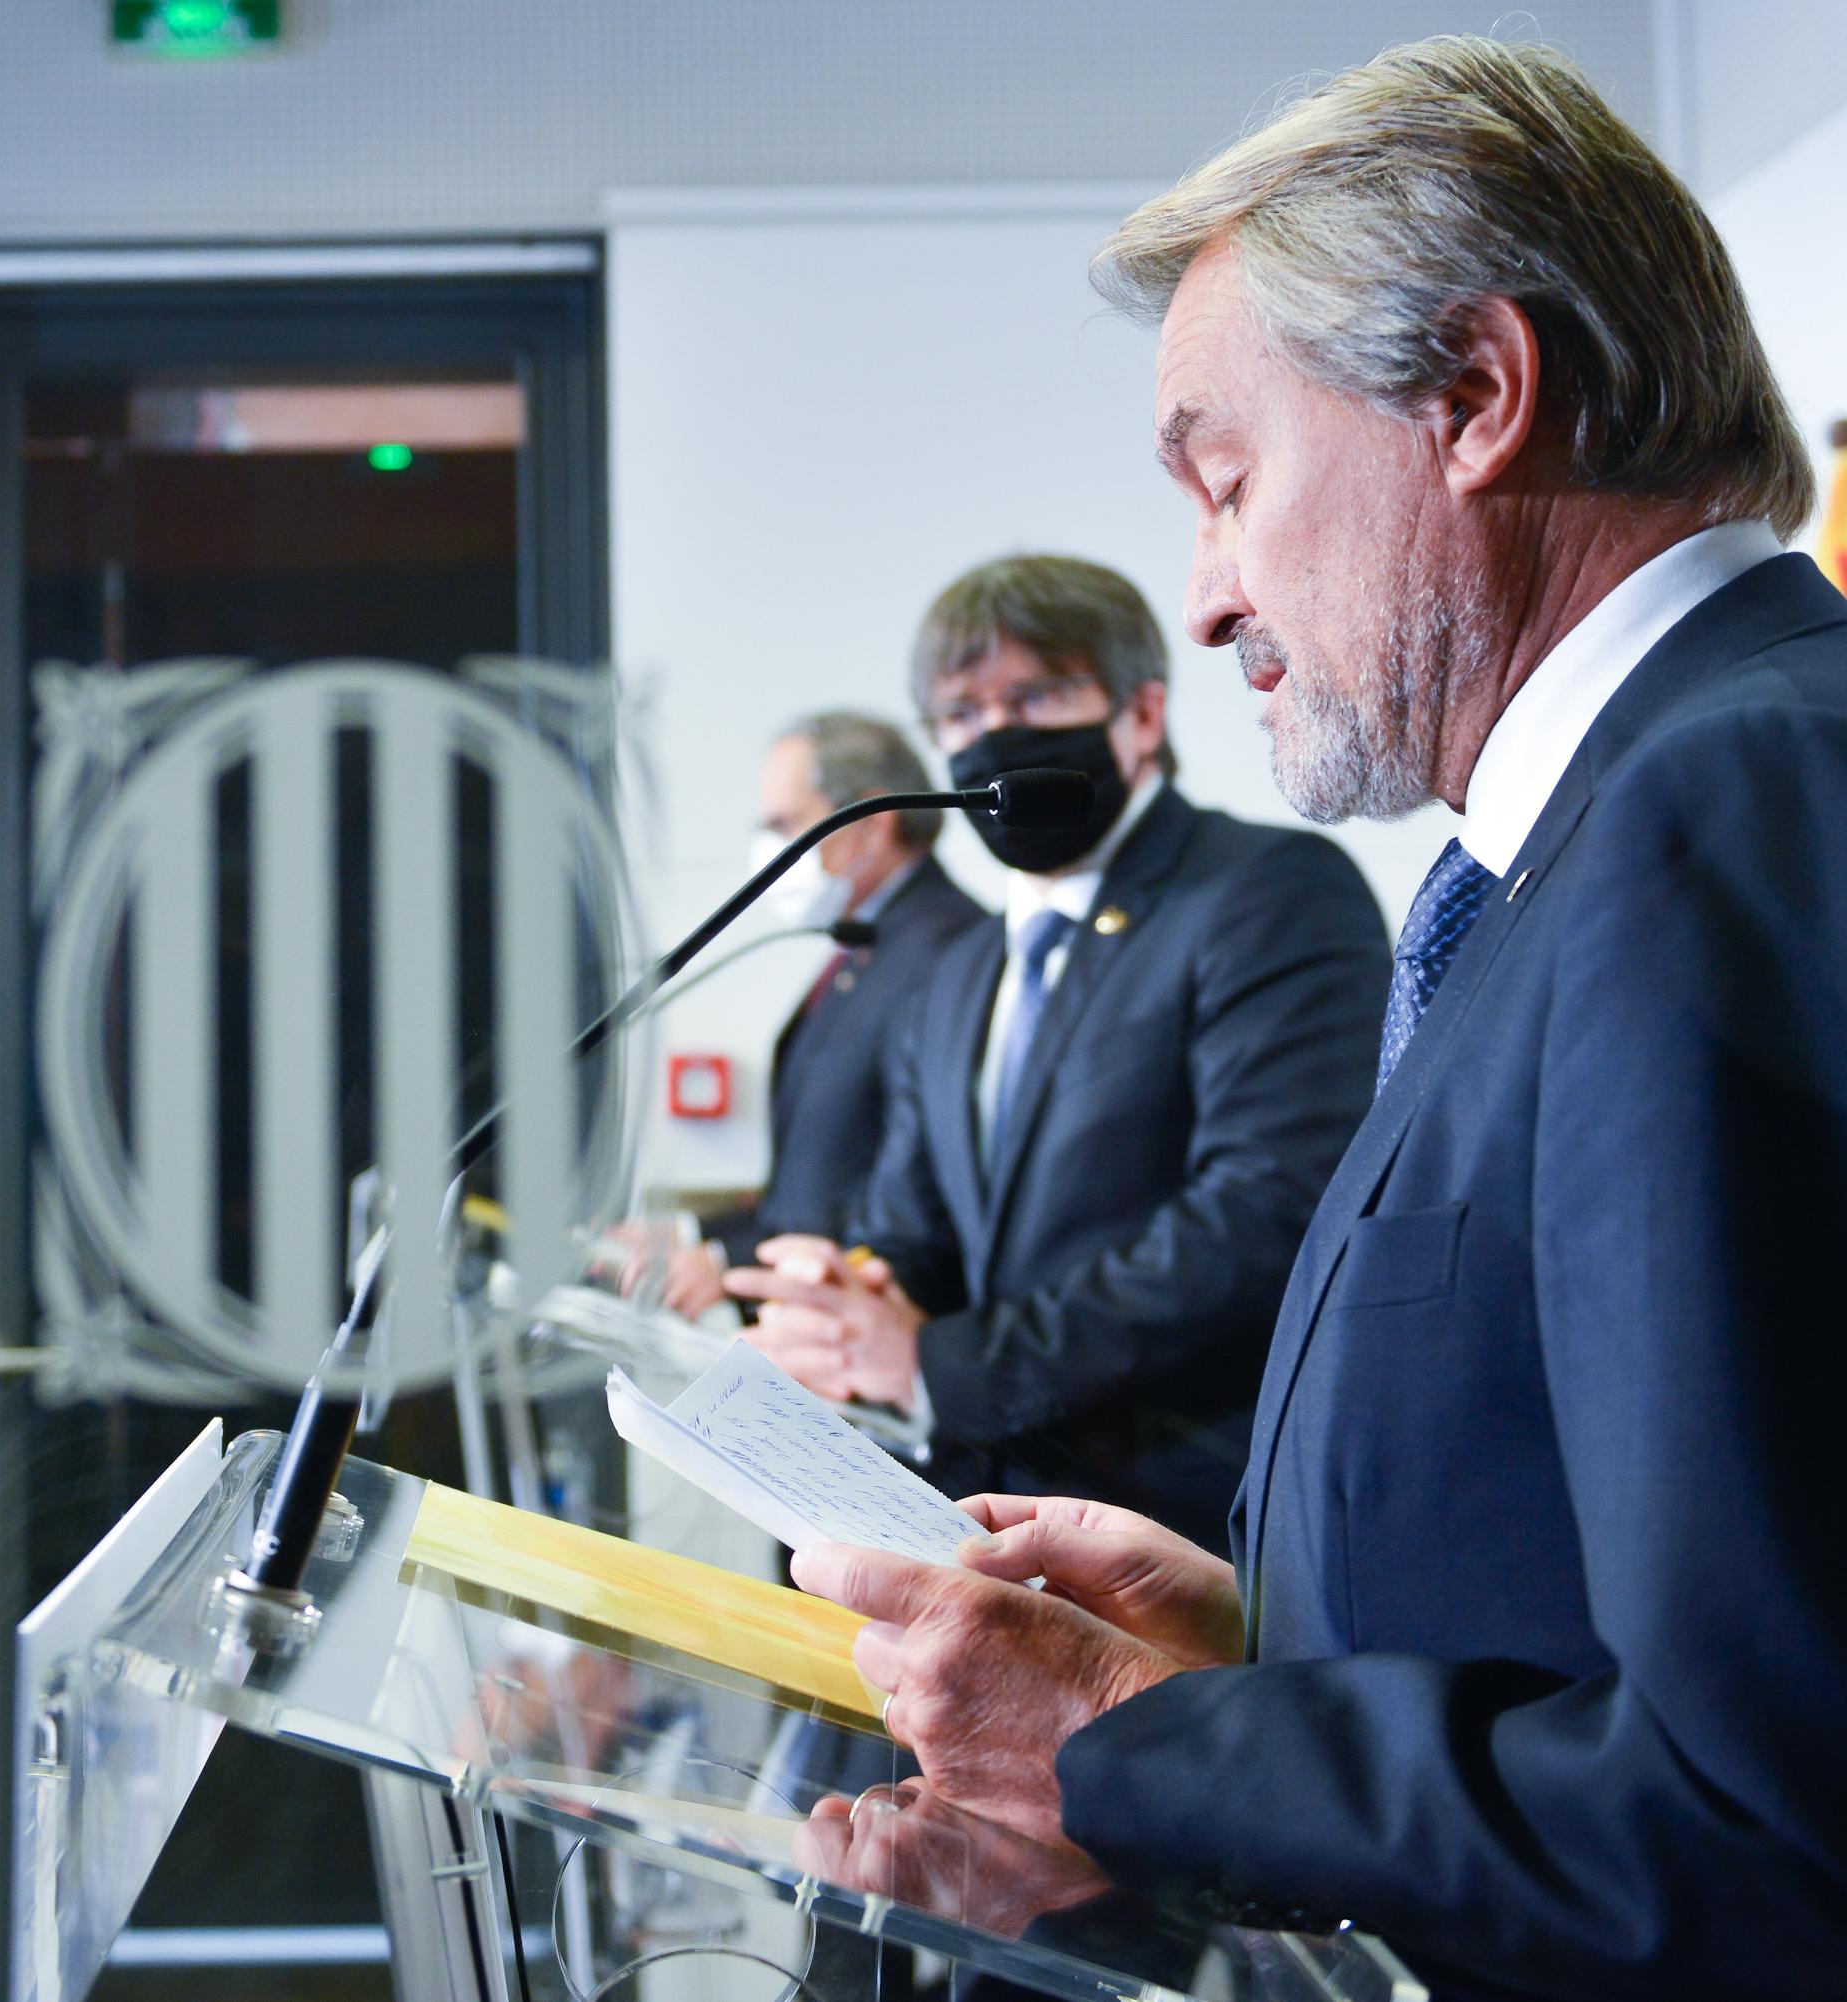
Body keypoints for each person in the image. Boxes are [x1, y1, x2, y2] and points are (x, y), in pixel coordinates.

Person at [787, 39, 1847, 2002]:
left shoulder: (1731, 806)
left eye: (1227, 481)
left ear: (1475, 396)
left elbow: (1771, 1817)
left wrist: (1124, 1736)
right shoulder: (1589, 842)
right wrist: (1273, 1645)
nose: (1202, 601)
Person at [726, 555, 1386, 1554]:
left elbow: (1266, 1215)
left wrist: (942, 1367)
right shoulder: (957, 970)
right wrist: (852, 1286)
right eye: (958, 712)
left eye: (1035, 692)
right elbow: (915, 1222)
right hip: (967, 1523)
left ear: (1142, 713)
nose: (993, 732)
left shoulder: (1270, 892)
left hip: (1187, 1532)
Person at [631, 712, 985, 1319]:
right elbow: (812, 1180)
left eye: (786, 825)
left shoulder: (945, 953)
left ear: (871, 823)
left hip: (881, 1332)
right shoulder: (868, 944)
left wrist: (724, 1261)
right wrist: (691, 1234)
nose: (770, 848)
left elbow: (906, 1200)